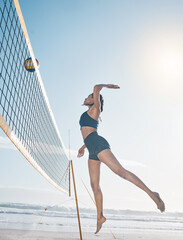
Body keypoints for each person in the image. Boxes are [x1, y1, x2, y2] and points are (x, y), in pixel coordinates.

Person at [77, 84, 165, 234]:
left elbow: (96, 87)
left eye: (90, 96)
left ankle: (152, 194)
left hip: (98, 145)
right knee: (94, 186)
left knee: (121, 172)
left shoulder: (95, 109)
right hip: (92, 148)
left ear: (94, 100)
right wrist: (83, 147)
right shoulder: (88, 113)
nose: (86, 98)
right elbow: (88, 132)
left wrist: (105, 86)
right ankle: (100, 217)